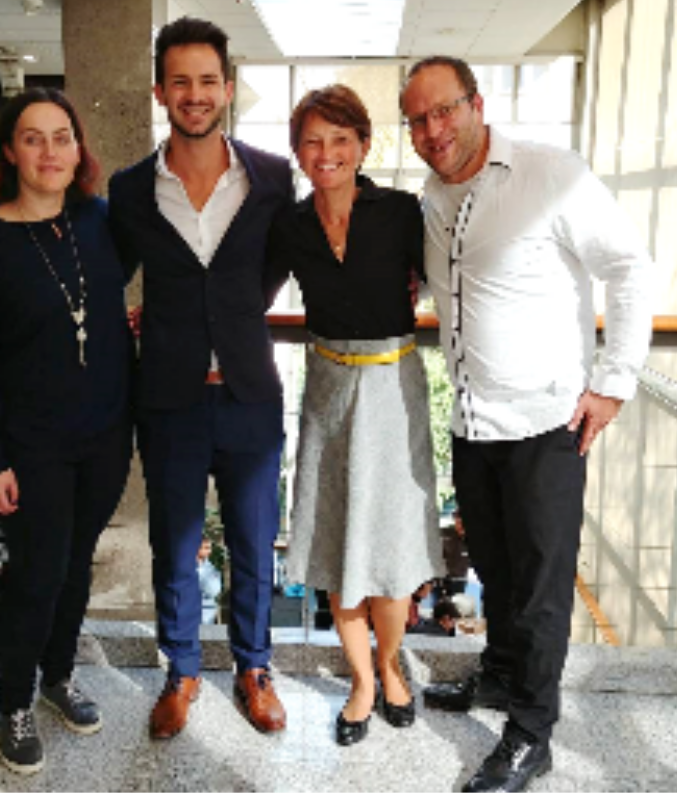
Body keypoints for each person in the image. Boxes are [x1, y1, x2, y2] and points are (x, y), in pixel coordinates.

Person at [400, 58, 654, 792]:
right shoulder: (432, 196)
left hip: (548, 424)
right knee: (496, 570)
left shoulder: (552, 173)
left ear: (477, 104)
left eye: (444, 111)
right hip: (474, 423)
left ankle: (530, 733)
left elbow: (631, 268)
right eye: (417, 119)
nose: (432, 130)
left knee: (541, 589)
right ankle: (501, 675)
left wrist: (614, 382)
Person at [108, 17, 294, 740]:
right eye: (180, 81)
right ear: (160, 90)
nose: (195, 94)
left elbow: (273, 265)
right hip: (170, 398)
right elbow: (112, 273)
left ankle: (254, 667)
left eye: (207, 80)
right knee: (174, 544)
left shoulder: (272, 177)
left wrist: (232, 312)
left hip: (250, 391)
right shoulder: (131, 189)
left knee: (253, 542)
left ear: (228, 87)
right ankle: (181, 670)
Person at [0, 88, 133, 775]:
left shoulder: (99, 222)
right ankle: (15, 704)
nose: (50, 151)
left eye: (62, 137)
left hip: (107, 435)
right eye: (34, 138)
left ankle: (59, 677)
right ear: (9, 151)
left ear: (78, 149)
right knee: (35, 574)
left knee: (76, 562)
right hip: (31, 445)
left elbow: (106, 304)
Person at [265, 85, 444, 747]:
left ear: (363, 145)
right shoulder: (291, 223)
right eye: (313, 141)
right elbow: (241, 288)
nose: (327, 153)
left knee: (392, 553)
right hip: (326, 388)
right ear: (298, 152)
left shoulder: (400, 212)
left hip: (393, 386)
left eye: (341, 140)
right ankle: (361, 680)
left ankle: (392, 664)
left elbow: (450, 280)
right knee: (339, 544)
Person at [196, 537, 222, 624]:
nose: (209, 552)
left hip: (207, 615)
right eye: (206, 548)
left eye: (209, 548)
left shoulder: (211, 569)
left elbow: (214, 590)